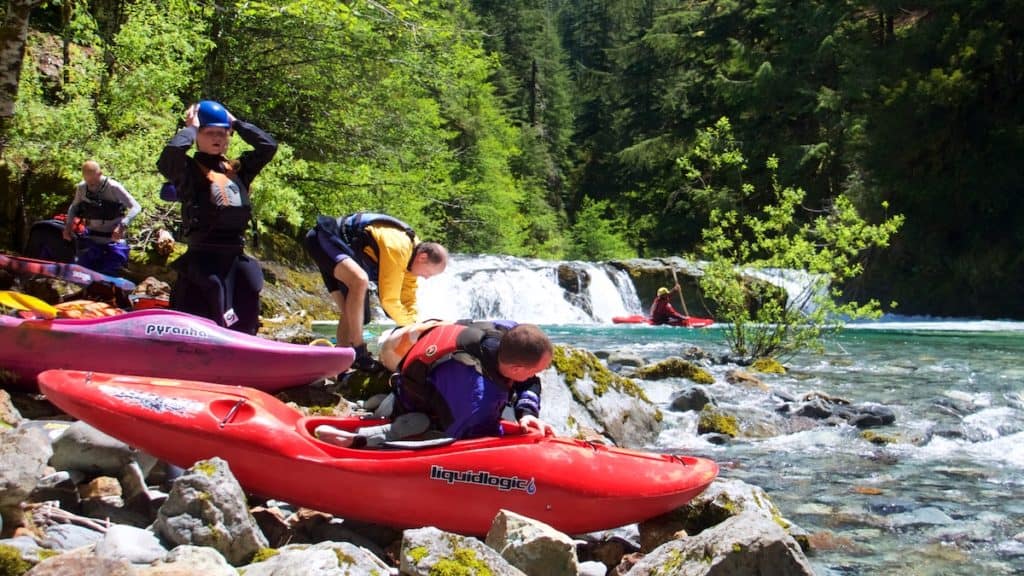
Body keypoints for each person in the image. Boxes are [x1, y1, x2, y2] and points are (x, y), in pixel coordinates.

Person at [157, 100, 277, 334]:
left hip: (234, 256)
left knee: (250, 285)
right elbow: (169, 158)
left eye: (222, 133)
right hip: (202, 257)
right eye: (210, 132)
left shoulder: (237, 170)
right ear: (198, 135)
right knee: (208, 293)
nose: (217, 138)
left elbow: (268, 146)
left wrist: (237, 123)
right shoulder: (188, 172)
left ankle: (245, 343)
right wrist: (190, 129)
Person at [304, 212, 447, 369]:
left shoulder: (411, 262)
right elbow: (389, 300)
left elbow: (407, 300)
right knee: (360, 280)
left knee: (354, 315)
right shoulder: (398, 247)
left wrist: (418, 327)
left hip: (340, 250)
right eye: (429, 273)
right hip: (324, 239)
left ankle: (342, 364)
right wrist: (412, 331)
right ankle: (358, 350)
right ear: (423, 258)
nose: (426, 278)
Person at [380, 320, 555, 440]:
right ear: (516, 369)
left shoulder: (508, 331)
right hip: (415, 403)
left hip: (427, 360)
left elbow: (527, 378)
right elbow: (480, 446)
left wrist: (527, 413)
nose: (536, 376)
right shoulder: (480, 401)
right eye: (536, 371)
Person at [62, 160, 141, 276]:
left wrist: (123, 225)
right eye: (87, 180)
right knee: (81, 273)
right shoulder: (82, 188)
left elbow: (136, 207)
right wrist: (68, 226)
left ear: (100, 174)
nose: (91, 184)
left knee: (108, 275)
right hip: (91, 238)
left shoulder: (114, 187)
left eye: (93, 181)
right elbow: (74, 207)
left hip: (113, 239)